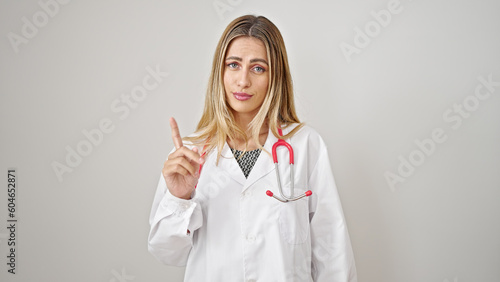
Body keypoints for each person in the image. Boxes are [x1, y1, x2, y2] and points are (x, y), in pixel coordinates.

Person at [148, 15, 357, 281]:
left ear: (275, 77)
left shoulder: (305, 145)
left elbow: (332, 251)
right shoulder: (190, 154)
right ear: (220, 72)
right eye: (233, 65)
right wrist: (179, 199)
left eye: (258, 68)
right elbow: (167, 253)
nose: (243, 81)